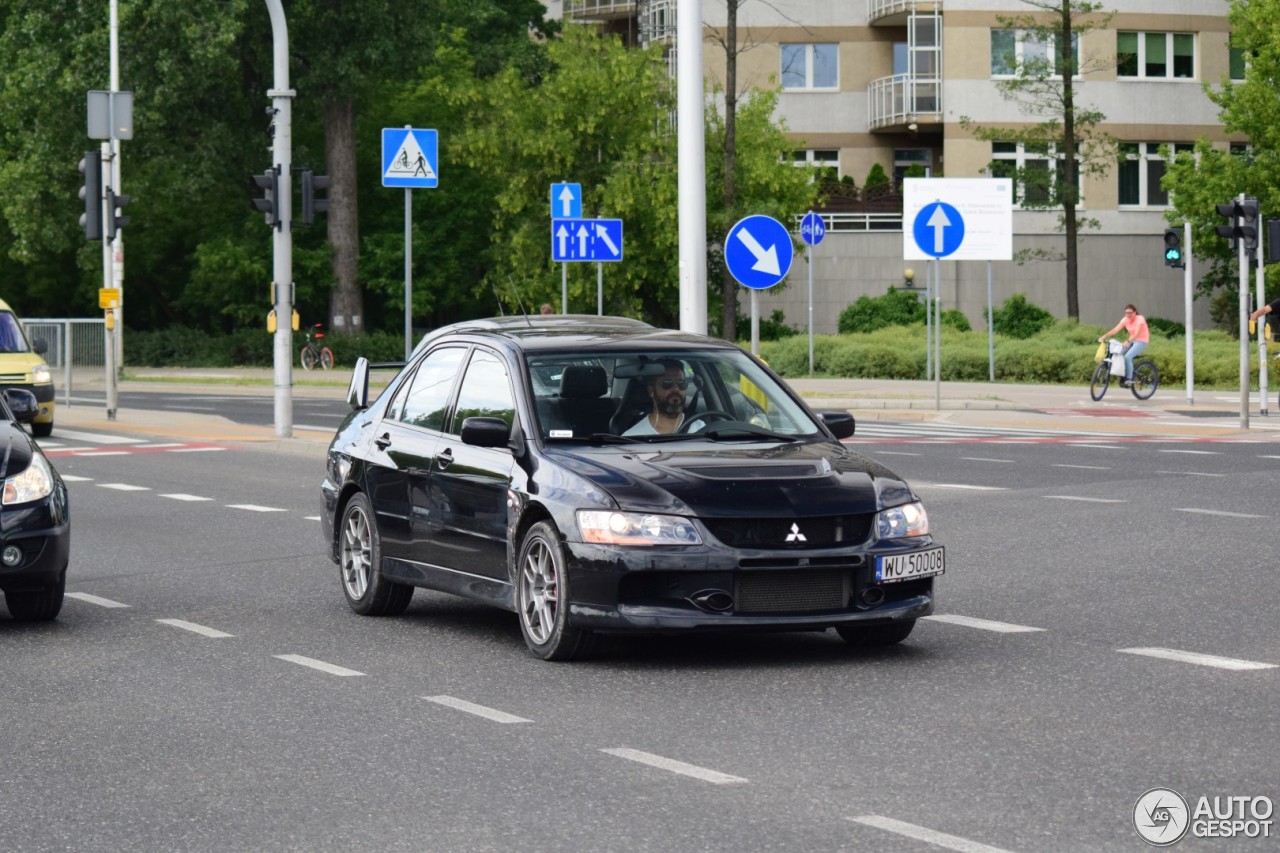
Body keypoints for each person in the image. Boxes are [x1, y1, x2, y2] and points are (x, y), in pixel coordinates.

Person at [623, 360, 691, 435]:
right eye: (667, 383)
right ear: (651, 391)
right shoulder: (632, 437)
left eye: (681, 383)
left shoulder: (702, 429)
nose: (676, 389)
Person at [1099, 304, 1150, 387]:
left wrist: (1127, 341)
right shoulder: (1125, 319)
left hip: (1142, 341)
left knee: (1128, 357)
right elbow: (1115, 330)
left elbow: (1136, 334)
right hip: (1132, 340)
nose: (1128, 315)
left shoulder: (1140, 319)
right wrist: (1104, 336)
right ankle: (1123, 374)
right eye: (1126, 313)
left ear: (1135, 312)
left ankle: (1129, 379)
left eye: (1130, 313)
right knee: (1119, 354)